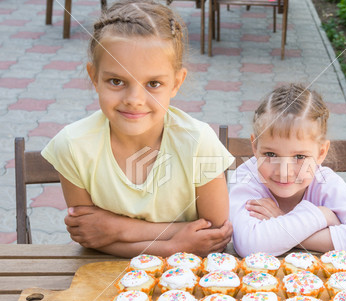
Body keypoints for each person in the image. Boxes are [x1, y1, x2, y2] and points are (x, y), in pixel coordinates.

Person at [42, 0, 234, 258]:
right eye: (116, 81)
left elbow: (214, 234)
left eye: (153, 83)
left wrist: (118, 228)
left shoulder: (198, 142)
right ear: (94, 77)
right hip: (101, 279)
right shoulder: (73, 145)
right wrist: (172, 246)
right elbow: (89, 235)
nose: (134, 98)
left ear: (176, 83)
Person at [229, 83, 346, 259]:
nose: (284, 171)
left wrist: (283, 221)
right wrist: (322, 216)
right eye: (271, 154)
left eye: (299, 156)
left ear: (321, 153)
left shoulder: (325, 183)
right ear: (255, 147)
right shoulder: (247, 177)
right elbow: (249, 244)